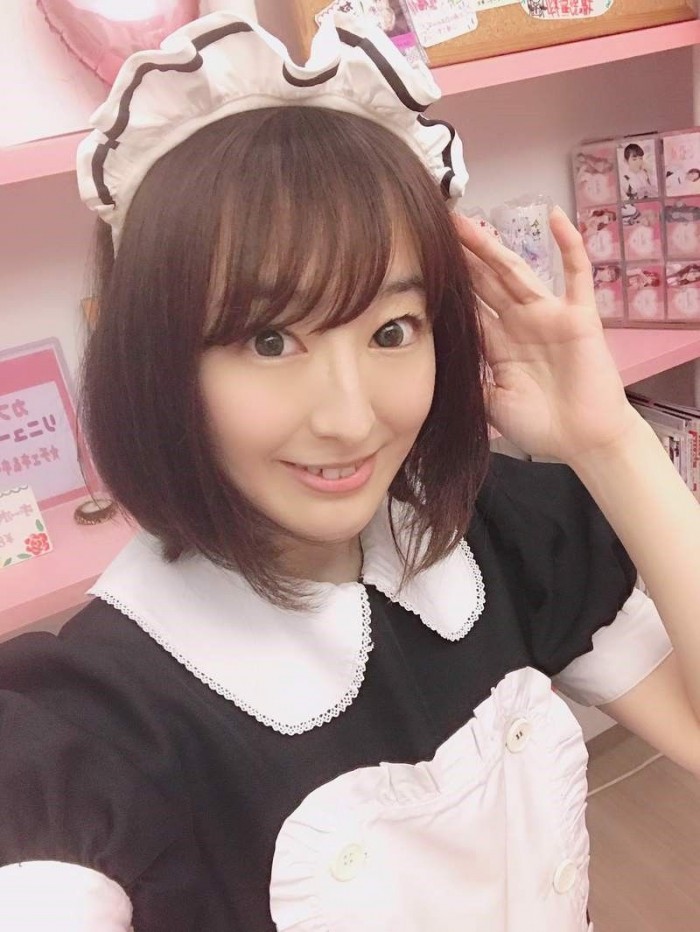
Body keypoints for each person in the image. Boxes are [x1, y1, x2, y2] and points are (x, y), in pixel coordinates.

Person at [1, 11, 700, 932]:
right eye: (270, 339)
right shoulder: (94, 725)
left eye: (391, 330)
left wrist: (609, 441)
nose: (350, 417)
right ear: (157, 362)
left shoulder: (498, 532)